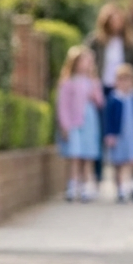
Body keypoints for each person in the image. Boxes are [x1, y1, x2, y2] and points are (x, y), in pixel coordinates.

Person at [86, 4, 133, 186]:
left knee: (124, 131)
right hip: (102, 89)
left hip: (123, 90)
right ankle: (98, 175)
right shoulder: (96, 41)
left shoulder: (128, 44)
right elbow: (88, 63)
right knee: (102, 131)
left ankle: (124, 179)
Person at [56, 45, 104, 203]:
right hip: (74, 123)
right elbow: (63, 105)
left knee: (87, 156)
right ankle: (72, 185)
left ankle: (85, 186)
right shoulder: (68, 83)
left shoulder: (93, 82)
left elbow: (100, 103)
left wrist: (94, 86)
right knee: (75, 155)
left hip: (89, 123)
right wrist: (65, 125)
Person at [103, 64, 133, 203]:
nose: (125, 84)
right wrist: (109, 134)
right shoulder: (114, 99)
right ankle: (120, 189)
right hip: (118, 136)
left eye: (128, 80)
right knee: (118, 162)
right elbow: (108, 118)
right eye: (122, 80)